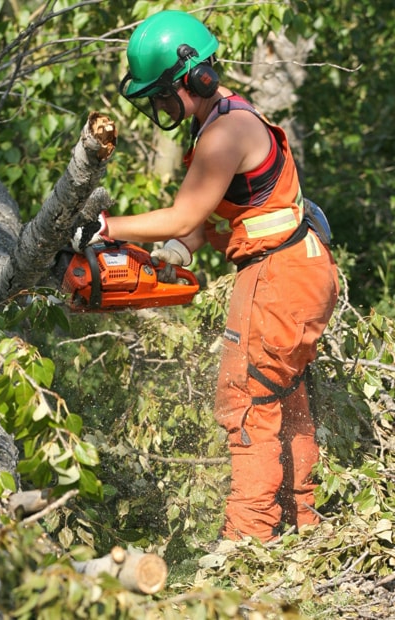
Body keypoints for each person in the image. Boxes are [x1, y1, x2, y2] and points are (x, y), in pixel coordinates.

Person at [73, 10, 339, 542]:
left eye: (161, 96)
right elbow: (210, 218)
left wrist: (101, 227)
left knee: (245, 402)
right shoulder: (232, 120)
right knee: (282, 400)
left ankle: (246, 548)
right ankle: (301, 527)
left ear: (194, 79)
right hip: (304, 267)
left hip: (276, 275)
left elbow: (185, 214)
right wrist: (176, 250)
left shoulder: (225, 133)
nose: (158, 108)